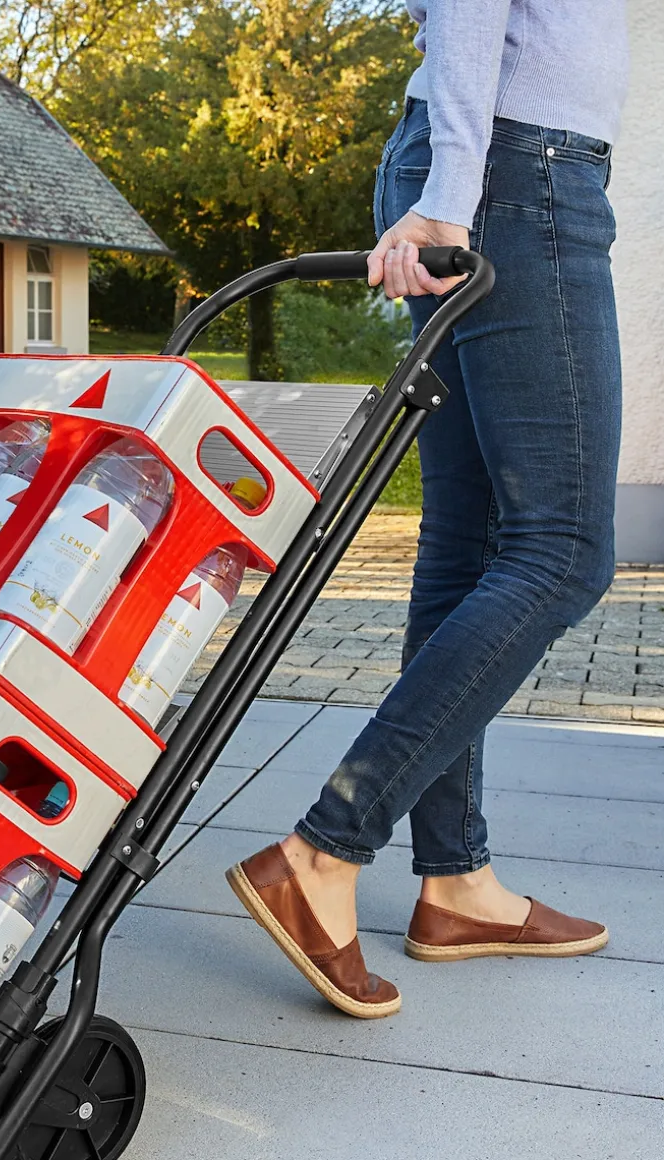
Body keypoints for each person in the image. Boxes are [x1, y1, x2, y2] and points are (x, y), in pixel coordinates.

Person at [226, 0, 629, 1018]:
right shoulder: (487, 172)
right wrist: (453, 193)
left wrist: (452, 182)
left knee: (470, 546)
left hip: (497, 165)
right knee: (563, 550)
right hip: (517, 171)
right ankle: (324, 850)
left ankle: (455, 880)